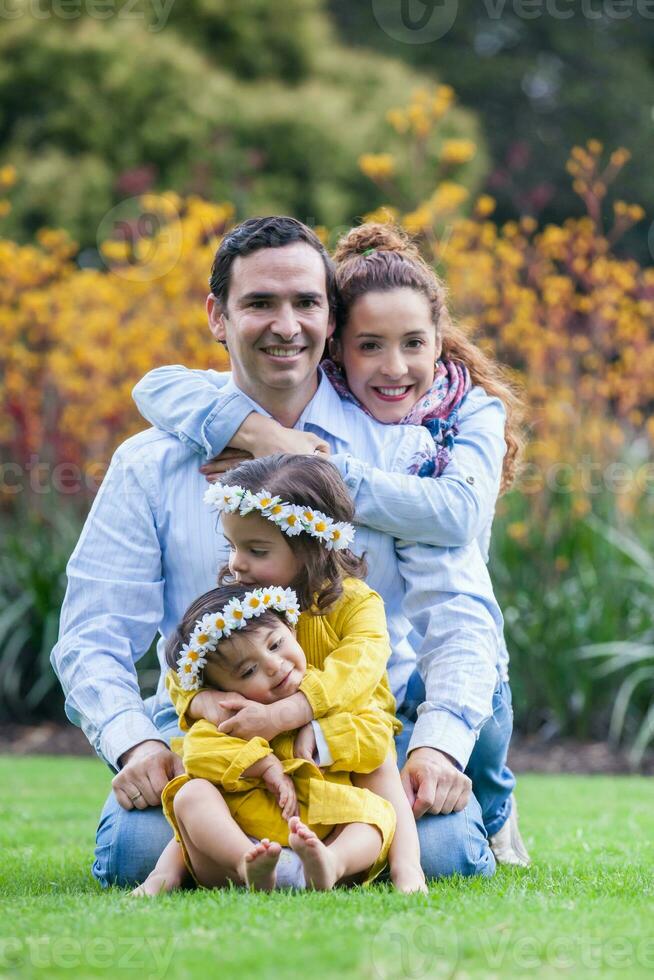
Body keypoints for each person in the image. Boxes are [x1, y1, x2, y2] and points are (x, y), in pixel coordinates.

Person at [52, 215, 521, 891]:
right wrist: (139, 742)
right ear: (218, 316)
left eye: (306, 302)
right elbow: (92, 633)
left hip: (363, 734)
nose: (286, 324)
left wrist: (438, 745)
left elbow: (461, 618)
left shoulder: (399, 451)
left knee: (445, 854)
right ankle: (277, 852)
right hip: (216, 728)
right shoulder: (150, 463)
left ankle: (359, 840)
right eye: (260, 303)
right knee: (131, 854)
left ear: (331, 320)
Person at [136, 582, 395, 893]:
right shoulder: (232, 715)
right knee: (191, 795)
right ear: (223, 690)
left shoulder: (327, 693)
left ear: (291, 628)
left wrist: (321, 736)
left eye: (275, 645)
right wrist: (264, 764)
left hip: (324, 832)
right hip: (244, 835)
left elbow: (375, 741)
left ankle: (332, 863)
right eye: (248, 672)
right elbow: (198, 754)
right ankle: (246, 863)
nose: (274, 666)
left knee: (374, 816)